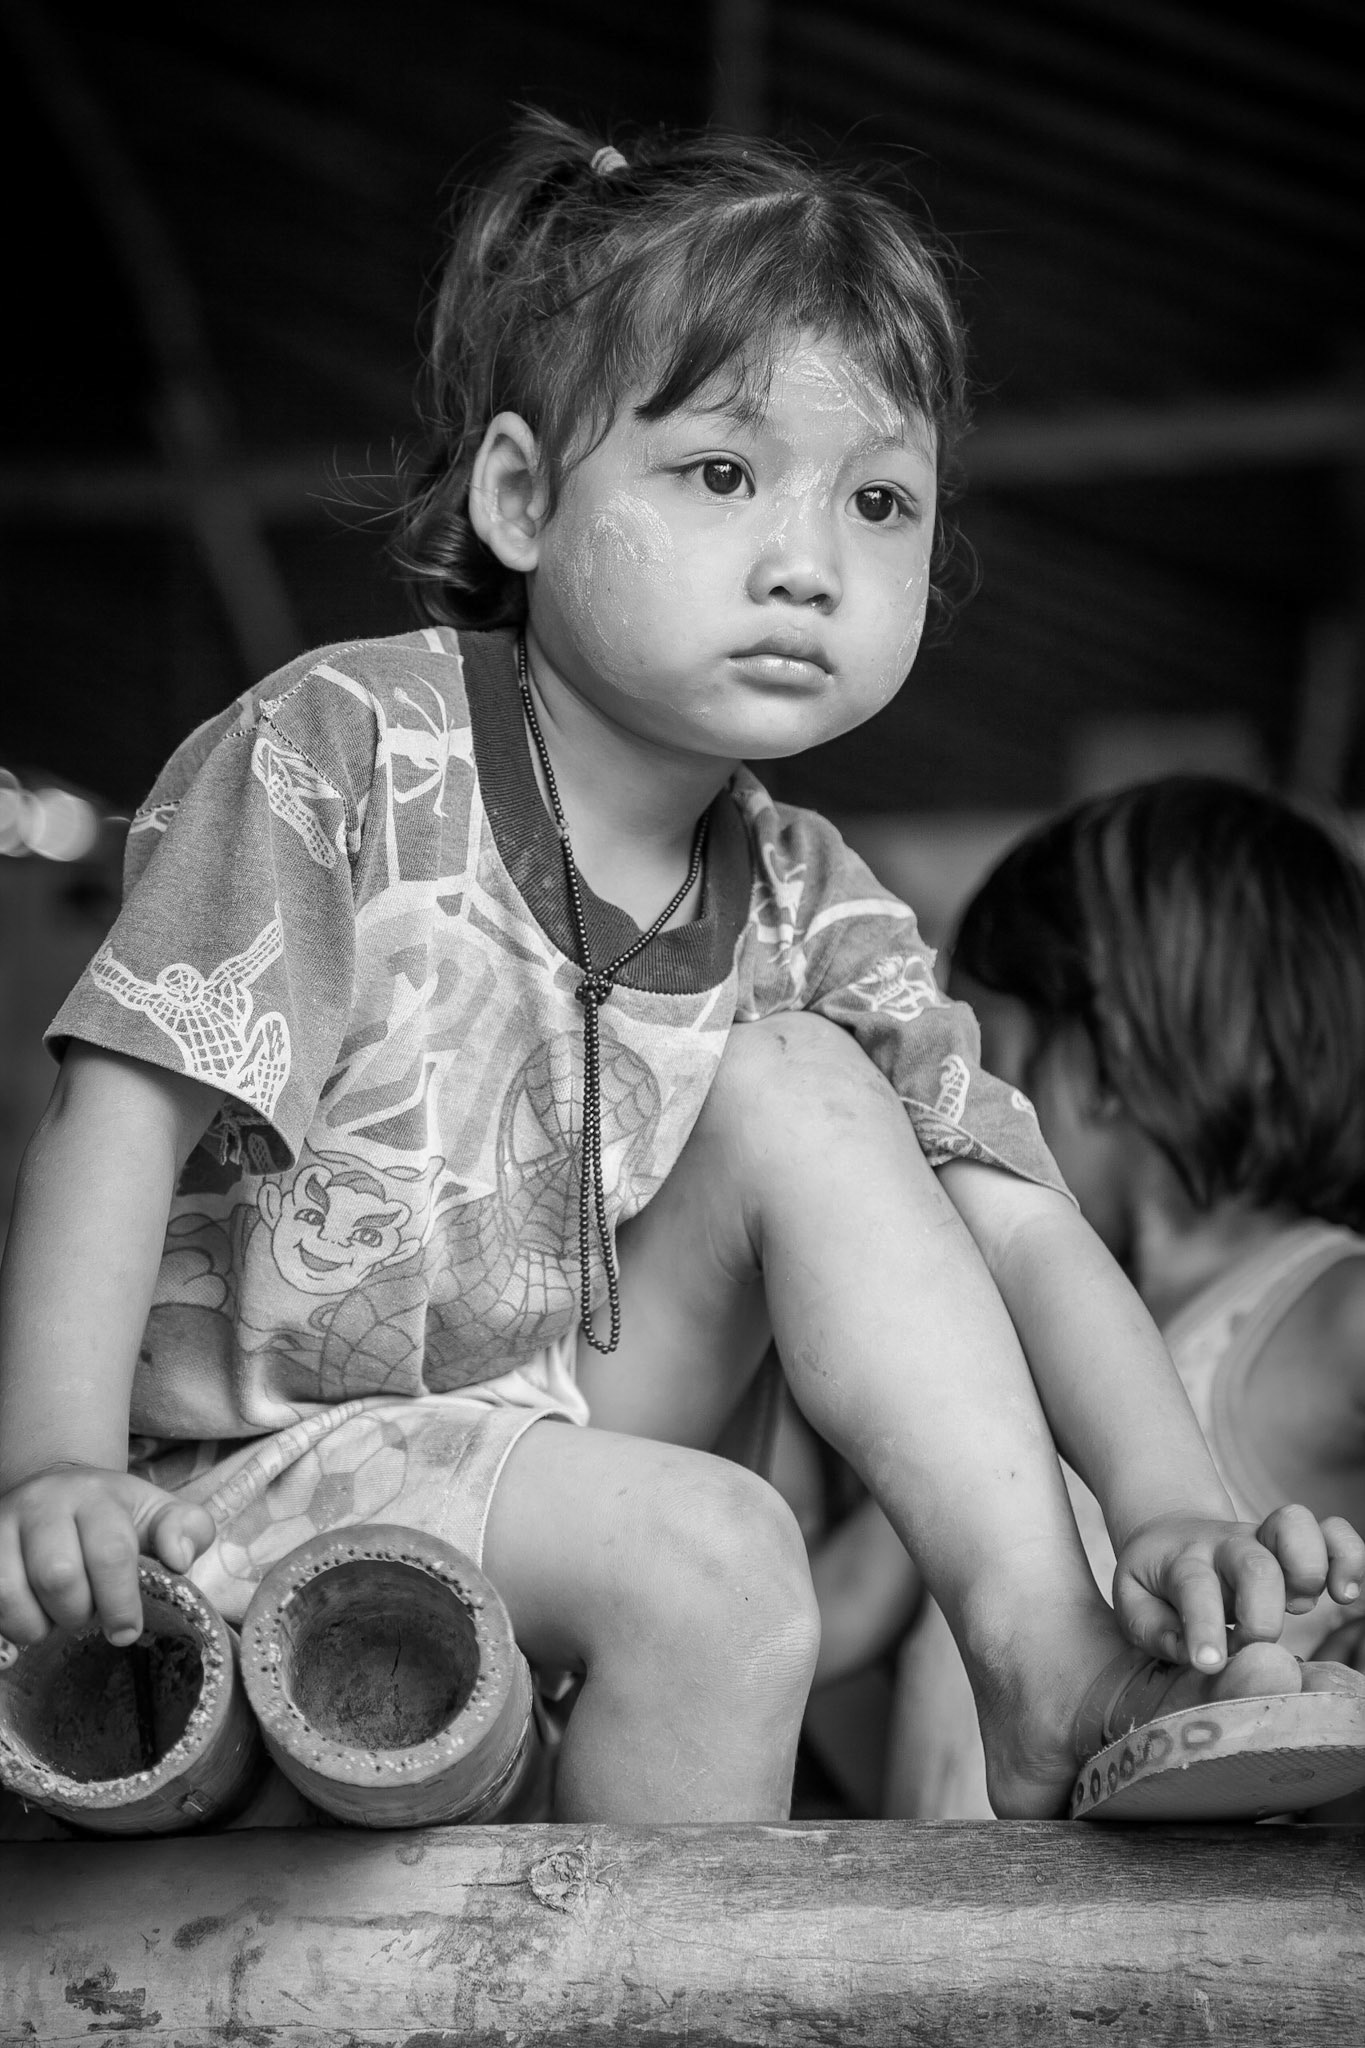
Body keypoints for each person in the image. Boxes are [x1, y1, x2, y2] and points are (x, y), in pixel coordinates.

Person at [1, 117, 1362, 1828]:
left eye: (879, 501)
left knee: (809, 1085)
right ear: (519, 497)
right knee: (726, 1565)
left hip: (558, 1443)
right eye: (722, 473)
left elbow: (1018, 1220)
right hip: (245, 1474)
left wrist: (1167, 1505)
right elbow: (122, 1104)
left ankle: (1045, 1656)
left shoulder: (807, 893)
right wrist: (51, 1467)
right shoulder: (341, 748)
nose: (808, 560)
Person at [864, 776, 1365, 1817]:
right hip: (949, 1903)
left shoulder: (1330, 1303)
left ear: (1107, 1050)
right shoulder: (1004, 1343)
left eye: (988, 1062)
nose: (959, 1121)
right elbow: (851, 1598)